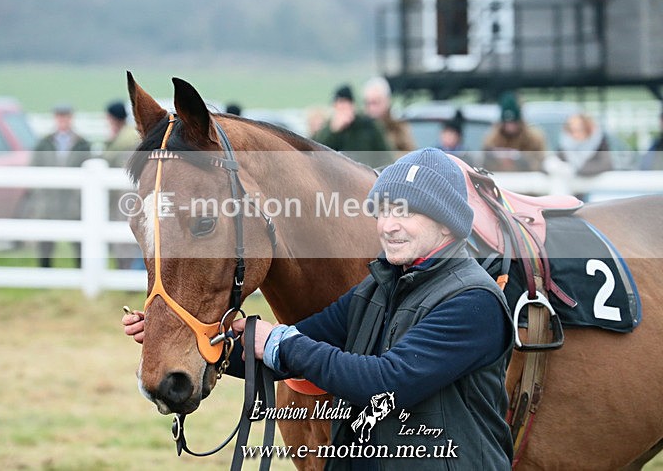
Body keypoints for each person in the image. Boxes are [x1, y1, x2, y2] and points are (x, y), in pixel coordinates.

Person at [124, 148, 514, 469]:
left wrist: (280, 341)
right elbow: (287, 351)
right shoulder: (379, 287)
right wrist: (185, 335)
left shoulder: (472, 302)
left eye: (407, 213)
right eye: (384, 211)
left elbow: (386, 384)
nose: (389, 226)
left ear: (447, 225)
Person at [30, 104, 91, 268]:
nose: (63, 120)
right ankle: (44, 274)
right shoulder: (44, 143)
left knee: (79, 242)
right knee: (45, 243)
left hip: (72, 202)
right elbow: (35, 167)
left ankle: (83, 273)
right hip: (49, 201)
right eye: (60, 116)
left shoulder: (82, 144)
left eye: (66, 116)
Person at [102, 100, 143, 270]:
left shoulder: (124, 140)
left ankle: (128, 274)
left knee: (126, 240)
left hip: (125, 196)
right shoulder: (127, 136)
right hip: (126, 195)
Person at [313, 84, 391, 167]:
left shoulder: (368, 126)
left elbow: (385, 157)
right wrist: (333, 131)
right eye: (338, 105)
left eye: (345, 104)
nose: (342, 109)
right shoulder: (328, 128)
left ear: (352, 105)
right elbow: (317, 152)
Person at [482, 91, 547, 172]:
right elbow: (485, 163)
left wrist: (519, 160)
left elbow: (540, 162)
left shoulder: (534, 138)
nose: (510, 126)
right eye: (507, 122)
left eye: (513, 122)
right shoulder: (492, 139)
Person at [362, 76, 415, 153]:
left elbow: (410, 154)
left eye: (376, 102)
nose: (371, 108)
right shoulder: (361, 127)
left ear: (387, 100)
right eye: (368, 103)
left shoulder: (398, 125)